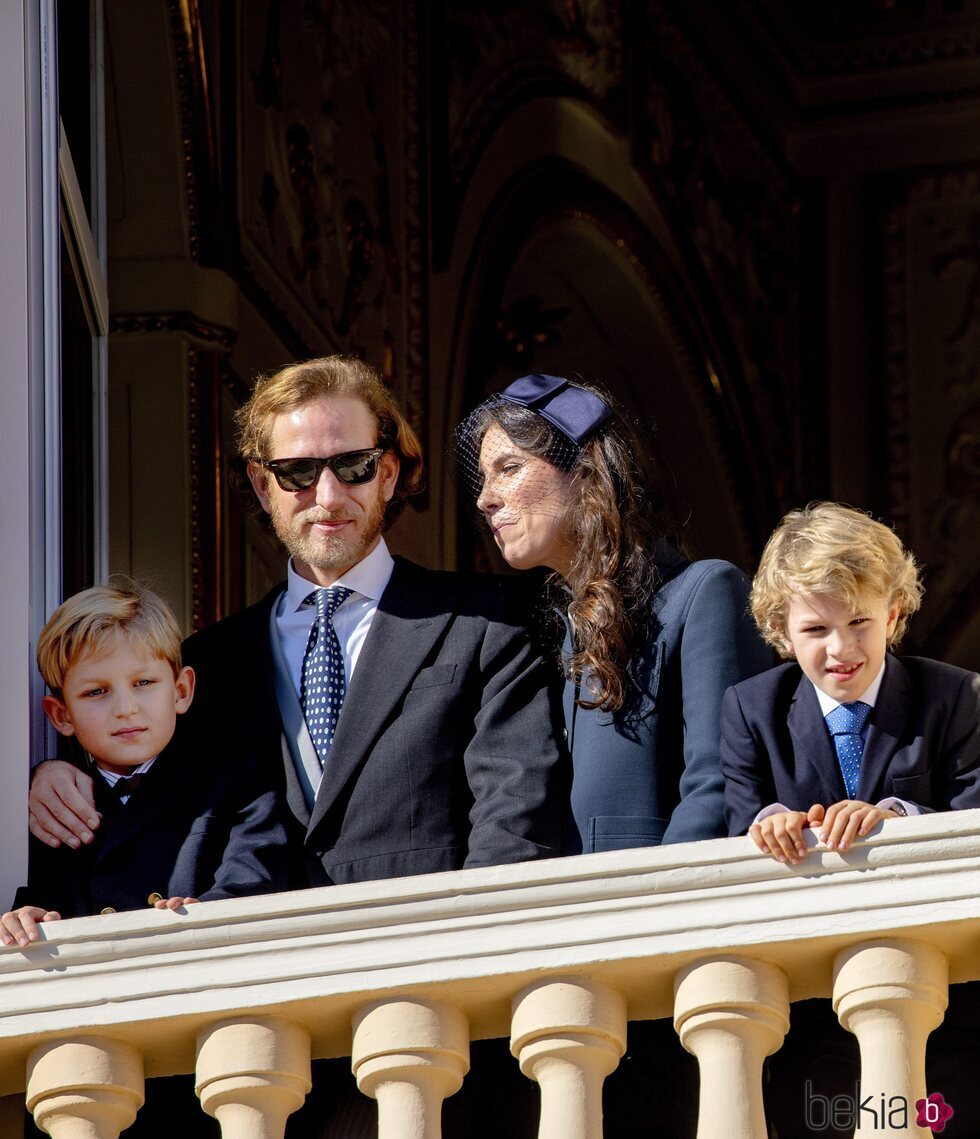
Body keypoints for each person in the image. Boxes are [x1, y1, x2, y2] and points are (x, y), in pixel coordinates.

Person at [28, 356, 563, 886]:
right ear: (263, 486)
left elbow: (516, 818)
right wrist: (48, 775)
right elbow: (143, 782)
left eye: (354, 466)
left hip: (423, 954)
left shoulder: (489, 620)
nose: (327, 497)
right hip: (256, 963)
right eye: (298, 472)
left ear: (388, 474)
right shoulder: (209, 659)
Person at [457, 372, 772, 854]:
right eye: (484, 476)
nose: (485, 498)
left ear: (582, 469)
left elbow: (722, 781)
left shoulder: (704, 592)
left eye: (508, 468)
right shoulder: (541, 630)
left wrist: (656, 898)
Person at [3, 581, 287, 947]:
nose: (126, 708)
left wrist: (209, 913)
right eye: (97, 691)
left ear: (181, 691)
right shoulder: (58, 810)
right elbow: (46, 902)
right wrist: (28, 918)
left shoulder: (238, 783)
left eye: (144, 682)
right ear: (61, 716)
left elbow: (257, 878)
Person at [721, 501, 980, 863]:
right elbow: (738, 826)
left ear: (890, 617)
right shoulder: (751, 710)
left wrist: (898, 819)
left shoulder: (957, 697)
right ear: (782, 632)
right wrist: (770, 827)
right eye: (815, 629)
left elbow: (972, 824)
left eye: (859, 622)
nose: (841, 649)